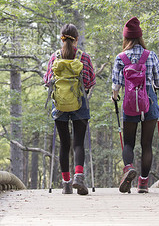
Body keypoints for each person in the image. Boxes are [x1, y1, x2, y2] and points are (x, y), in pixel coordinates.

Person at [111, 17, 159, 193]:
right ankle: (143, 183)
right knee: (147, 144)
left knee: (128, 142)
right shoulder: (151, 55)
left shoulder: (121, 58)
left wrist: (114, 96)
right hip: (148, 100)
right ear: (140, 37)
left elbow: (116, 86)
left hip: (129, 102)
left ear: (126, 38)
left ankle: (128, 168)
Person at [43, 24, 96, 195]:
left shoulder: (55, 57)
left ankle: (66, 183)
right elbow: (89, 82)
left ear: (61, 37)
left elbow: (47, 81)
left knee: (64, 144)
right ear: (77, 39)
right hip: (80, 103)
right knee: (78, 143)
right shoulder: (84, 57)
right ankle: (78, 176)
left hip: (59, 105)